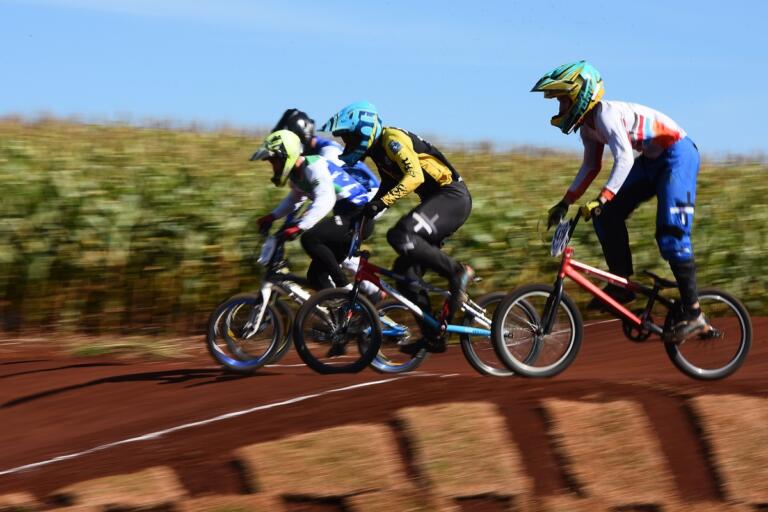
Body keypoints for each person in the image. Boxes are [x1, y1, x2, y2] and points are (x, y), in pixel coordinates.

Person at [533, 60, 707, 342]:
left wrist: (603, 196)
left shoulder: (605, 115)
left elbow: (624, 158)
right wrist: (566, 201)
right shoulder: (587, 128)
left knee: (670, 235)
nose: (560, 110)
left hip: (677, 156)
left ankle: (695, 313)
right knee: (606, 215)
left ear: (581, 95)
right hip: (651, 161)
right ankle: (621, 282)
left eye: (563, 101)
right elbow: (591, 166)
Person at [321, 101, 474, 354]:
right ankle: (434, 334)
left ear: (364, 131)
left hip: (452, 198)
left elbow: (414, 177)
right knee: (406, 276)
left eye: (348, 136)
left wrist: (380, 203)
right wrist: (364, 213)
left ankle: (457, 272)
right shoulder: (378, 152)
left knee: (401, 234)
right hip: (440, 202)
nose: (346, 142)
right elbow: (387, 187)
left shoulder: (392, 139)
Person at [250, 129, 377, 291]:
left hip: (359, 217)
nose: (273, 167)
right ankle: (347, 308)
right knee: (316, 278)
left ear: (286, 155)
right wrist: (272, 216)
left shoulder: (313, 166)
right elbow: (293, 200)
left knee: (310, 238)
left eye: (274, 161)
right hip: (347, 218)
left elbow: (326, 199)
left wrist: (300, 226)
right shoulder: (297, 175)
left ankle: (345, 289)